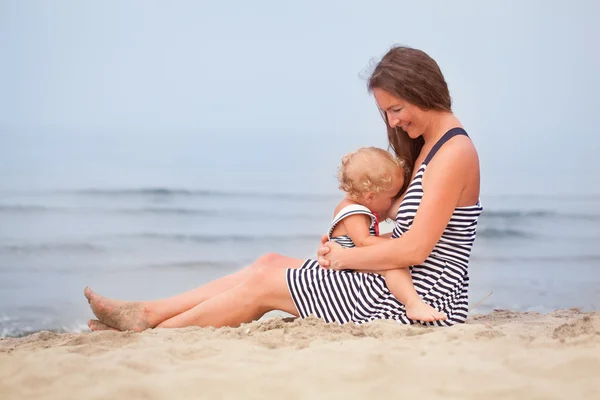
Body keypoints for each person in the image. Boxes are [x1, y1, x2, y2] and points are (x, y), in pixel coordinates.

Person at [84, 45, 482, 332]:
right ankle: (150, 313)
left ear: (421, 91)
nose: (392, 124)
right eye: (386, 113)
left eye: (396, 109)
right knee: (268, 262)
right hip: (396, 280)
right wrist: (350, 238)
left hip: (422, 297)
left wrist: (346, 260)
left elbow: (417, 249)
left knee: (265, 284)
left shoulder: (454, 152)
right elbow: (403, 226)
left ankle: (151, 329)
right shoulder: (429, 146)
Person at [328, 146, 446, 321]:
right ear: (370, 197)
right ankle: (412, 303)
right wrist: (397, 246)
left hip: (354, 258)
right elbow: (363, 242)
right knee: (394, 266)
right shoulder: (353, 211)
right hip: (349, 264)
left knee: (393, 259)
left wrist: (395, 237)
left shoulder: (359, 207)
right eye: (391, 197)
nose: (393, 202)